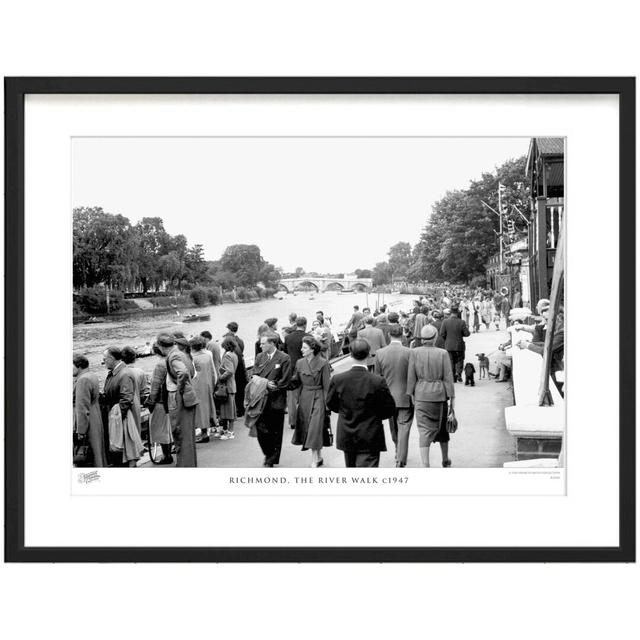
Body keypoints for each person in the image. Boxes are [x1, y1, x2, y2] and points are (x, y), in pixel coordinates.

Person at [326, 338, 396, 468]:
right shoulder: (377, 381)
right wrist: (375, 416)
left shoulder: (338, 379)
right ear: (369, 354)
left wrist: (345, 411)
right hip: (370, 433)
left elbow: (331, 403)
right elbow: (389, 409)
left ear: (351, 355)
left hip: (347, 432)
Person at [407, 325, 455, 468]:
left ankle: (425, 465)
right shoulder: (442, 353)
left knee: (423, 430)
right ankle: (445, 459)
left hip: (421, 394)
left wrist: (411, 394)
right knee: (442, 428)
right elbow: (448, 377)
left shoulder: (414, 352)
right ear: (435, 337)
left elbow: (411, 376)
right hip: (439, 396)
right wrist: (452, 398)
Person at [156, 333, 199, 467]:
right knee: (187, 434)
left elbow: (184, 372)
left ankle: (184, 465)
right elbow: (191, 371)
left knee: (179, 432)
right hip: (187, 396)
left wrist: (179, 389)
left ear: (161, 347)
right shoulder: (181, 353)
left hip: (178, 397)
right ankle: (188, 463)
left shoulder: (173, 356)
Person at [374, 325, 414, 467]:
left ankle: (398, 449)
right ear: (402, 335)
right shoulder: (410, 352)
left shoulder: (380, 353)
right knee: (404, 427)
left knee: (393, 428)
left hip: (388, 397)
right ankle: (401, 458)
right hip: (406, 396)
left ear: (389, 335)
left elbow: (377, 378)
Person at [290, 336, 332, 467]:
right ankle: (318, 457)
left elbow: (327, 385)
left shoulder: (323, 363)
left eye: (304, 347)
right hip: (305, 399)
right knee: (311, 428)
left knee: (315, 428)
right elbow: (295, 381)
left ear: (312, 349)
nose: (301, 349)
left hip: (319, 397)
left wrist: (327, 405)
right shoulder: (299, 363)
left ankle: (314, 459)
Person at [252, 332, 292, 466]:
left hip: (276, 399)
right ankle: (268, 452)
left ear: (272, 343)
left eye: (263, 343)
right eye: (260, 343)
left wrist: (272, 385)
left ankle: (272, 457)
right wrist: (264, 383)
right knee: (261, 429)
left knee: (276, 431)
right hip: (261, 399)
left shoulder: (284, 358)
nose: (260, 345)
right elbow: (254, 375)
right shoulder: (259, 357)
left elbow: (285, 380)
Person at [102, 346, 143, 467]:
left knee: (125, 451)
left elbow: (126, 399)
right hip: (118, 414)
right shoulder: (118, 372)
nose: (103, 361)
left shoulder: (124, 374)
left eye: (105, 359)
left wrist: (117, 418)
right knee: (124, 452)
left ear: (111, 358)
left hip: (121, 417)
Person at [73, 354, 106, 467]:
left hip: (87, 421)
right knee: (97, 450)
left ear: (78, 366)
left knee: (88, 452)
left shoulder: (83, 380)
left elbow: (82, 407)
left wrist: (81, 431)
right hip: (95, 415)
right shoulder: (92, 375)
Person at [145, 343, 173, 464]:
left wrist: (150, 401)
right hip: (170, 399)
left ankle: (166, 456)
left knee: (161, 430)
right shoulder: (170, 361)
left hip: (160, 401)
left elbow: (155, 386)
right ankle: (169, 453)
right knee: (168, 428)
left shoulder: (159, 365)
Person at [190, 336, 218, 443]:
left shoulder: (193, 358)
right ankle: (205, 432)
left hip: (197, 386)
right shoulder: (207, 356)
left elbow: (191, 374)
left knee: (199, 410)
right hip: (207, 385)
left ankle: (203, 433)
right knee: (206, 409)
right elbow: (213, 372)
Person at [283, 316, 310, 428]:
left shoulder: (288, 337)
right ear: (305, 325)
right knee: (306, 394)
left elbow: (285, 352)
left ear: (296, 324)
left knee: (292, 398)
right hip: (305, 368)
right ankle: (305, 419)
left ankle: (292, 421)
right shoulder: (308, 337)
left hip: (291, 369)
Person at [121, 346, 150, 435]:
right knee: (136, 429)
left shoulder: (121, 372)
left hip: (123, 405)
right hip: (136, 404)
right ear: (134, 359)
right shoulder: (140, 372)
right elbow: (143, 391)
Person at [439, 307, 470, 383]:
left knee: (450, 361)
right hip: (459, 345)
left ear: (450, 313)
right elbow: (467, 334)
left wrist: (447, 339)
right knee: (459, 360)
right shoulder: (461, 322)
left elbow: (441, 334)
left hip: (449, 345)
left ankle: (453, 377)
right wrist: (461, 333)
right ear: (457, 313)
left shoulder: (445, 322)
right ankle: (458, 373)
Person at [223, 321, 247, 417]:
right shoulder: (240, 341)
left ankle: (236, 409)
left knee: (234, 388)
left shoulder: (228, 340)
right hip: (241, 365)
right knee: (241, 388)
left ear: (229, 329)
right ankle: (241, 408)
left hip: (233, 366)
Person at [217, 337, 239, 439]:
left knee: (228, 410)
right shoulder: (234, 355)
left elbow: (229, 371)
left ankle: (230, 432)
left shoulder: (227, 356)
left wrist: (220, 377)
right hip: (232, 385)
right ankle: (227, 430)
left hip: (227, 386)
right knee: (230, 409)